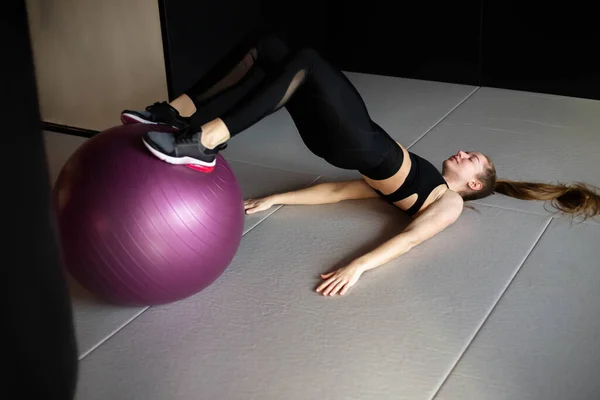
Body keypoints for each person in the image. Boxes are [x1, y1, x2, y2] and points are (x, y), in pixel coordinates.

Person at [121, 30, 600, 296]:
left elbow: (410, 240)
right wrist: (274, 199)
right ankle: (177, 112)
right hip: (340, 143)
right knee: (267, 46)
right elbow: (336, 191)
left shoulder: (448, 202)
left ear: (474, 184)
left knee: (306, 56)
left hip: (354, 138)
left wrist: (360, 267)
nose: (462, 152)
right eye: (468, 150)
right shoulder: (409, 186)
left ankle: (203, 142)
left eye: (471, 159)